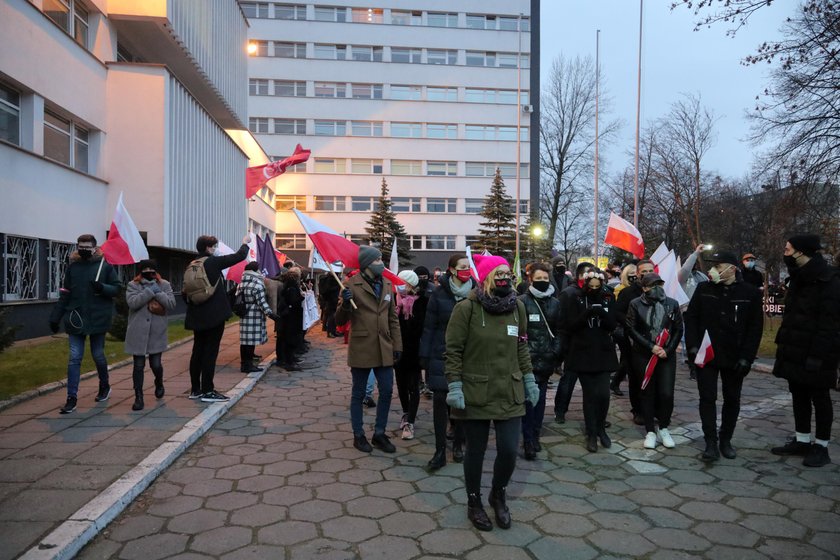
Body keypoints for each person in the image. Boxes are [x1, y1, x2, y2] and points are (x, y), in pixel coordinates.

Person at [445, 254, 537, 531]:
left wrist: (529, 379)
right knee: (476, 451)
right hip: (476, 391)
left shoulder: (517, 307)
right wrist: (455, 385)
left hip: (509, 389)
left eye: (507, 272)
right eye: (498, 272)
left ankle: (498, 493)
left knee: (509, 450)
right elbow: (453, 350)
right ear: (485, 277)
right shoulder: (467, 309)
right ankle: (474, 502)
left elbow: (521, 345)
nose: (504, 277)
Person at [685, 250, 763, 461]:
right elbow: (691, 319)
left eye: (718, 267)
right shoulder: (704, 289)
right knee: (707, 398)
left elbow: (755, 329)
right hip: (706, 354)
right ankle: (710, 442)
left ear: (731, 269)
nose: (713, 271)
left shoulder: (750, 293)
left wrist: (747, 357)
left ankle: (725, 439)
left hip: (734, 356)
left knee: (732, 399)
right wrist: (692, 347)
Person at [770, 234, 840, 467]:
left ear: (802, 251)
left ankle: (821, 446)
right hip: (795, 349)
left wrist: (817, 356)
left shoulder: (829, 280)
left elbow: (829, 324)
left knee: (820, 398)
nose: (785, 253)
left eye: (788, 250)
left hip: (818, 353)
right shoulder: (799, 277)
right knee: (798, 394)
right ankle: (802, 440)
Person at [335, 246, 403, 454]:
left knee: (387, 391)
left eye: (381, 259)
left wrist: (397, 345)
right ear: (366, 263)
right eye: (377, 260)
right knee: (358, 393)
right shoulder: (350, 285)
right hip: (362, 347)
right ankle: (358, 435)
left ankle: (379, 434)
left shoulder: (387, 284)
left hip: (384, 347)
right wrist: (345, 304)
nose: (381, 263)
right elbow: (339, 321)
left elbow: (392, 318)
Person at [49, 234, 121, 414]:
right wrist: (55, 316)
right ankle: (71, 398)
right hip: (76, 317)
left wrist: (102, 288)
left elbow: (118, 288)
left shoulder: (105, 266)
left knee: (98, 354)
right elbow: (65, 293)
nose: (83, 250)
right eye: (80, 246)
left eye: (87, 247)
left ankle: (104, 385)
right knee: (75, 357)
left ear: (95, 248)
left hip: (98, 318)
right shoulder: (73, 268)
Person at [419, 254, 473, 469]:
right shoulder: (439, 293)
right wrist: (424, 356)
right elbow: (429, 326)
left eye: (468, 267)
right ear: (452, 270)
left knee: (460, 404)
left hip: (468, 356)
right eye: (462, 267)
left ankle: (459, 443)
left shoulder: (476, 293)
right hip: (441, 353)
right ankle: (440, 450)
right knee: (440, 402)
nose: (466, 270)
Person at [185, 234, 249, 403]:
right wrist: (245, 243)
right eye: (214, 246)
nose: (216, 249)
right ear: (208, 248)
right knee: (210, 352)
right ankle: (208, 390)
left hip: (197, 314)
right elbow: (239, 256)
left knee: (197, 350)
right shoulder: (212, 262)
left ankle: (195, 389)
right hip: (213, 316)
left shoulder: (192, 264)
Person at [626, 273, 684, 450]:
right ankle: (650, 430)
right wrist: (651, 346)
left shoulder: (672, 304)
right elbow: (631, 328)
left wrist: (668, 349)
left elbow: (678, 329)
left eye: (660, 284)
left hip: (665, 355)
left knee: (666, 393)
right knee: (647, 392)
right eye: (653, 285)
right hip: (644, 354)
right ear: (644, 288)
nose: (657, 288)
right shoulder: (635, 304)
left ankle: (664, 428)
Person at [563, 270, 618, 452]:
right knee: (590, 395)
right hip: (583, 352)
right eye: (591, 286)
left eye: (597, 286)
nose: (594, 289)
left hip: (603, 351)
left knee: (603, 394)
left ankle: (601, 427)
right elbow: (570, 326)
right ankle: (592, 432)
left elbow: (613, 325)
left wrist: (602, 312)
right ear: (585, 284)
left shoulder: (608, 298)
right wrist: (586, 313)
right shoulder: (576, 298)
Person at [518, 263, 562, 459]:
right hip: (527, 361)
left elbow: (560, 331)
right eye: (539, 278)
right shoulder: (522, 302)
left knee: (541, 401)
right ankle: (527, 439)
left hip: (546, 360)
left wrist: (555, 352)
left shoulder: (555, 303)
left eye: (545, 278)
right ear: (530, 279)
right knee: (529, 401)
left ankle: (536, 435)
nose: (543, 282)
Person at [124, 259, 176, 411]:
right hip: (137, 331)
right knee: (138, 366)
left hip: (156, 331)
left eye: (151, 269)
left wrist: (157, 291)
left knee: (156, 364)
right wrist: (148, 291)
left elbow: (171, 304)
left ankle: (159, 382)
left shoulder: (164, 285)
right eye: (144, 269)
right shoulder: (133, 285)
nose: (148, 271)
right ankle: (138, 397)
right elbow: (133, 303)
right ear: (140, 272)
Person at [615, 259, 655, 425]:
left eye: (650, 270)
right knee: (635, 377)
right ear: (637, 274)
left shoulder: (659, 290)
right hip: (632, 341)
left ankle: (653, 409)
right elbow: (618, 313)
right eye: (643, 271)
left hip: (653, 341)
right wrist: (633, 324)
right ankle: (637, 410)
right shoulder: (628, 293)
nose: (646, 274)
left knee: (653, 377)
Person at [553, 261, 594, 423]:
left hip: (592, 345)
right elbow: (561, 322)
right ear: (580, 276)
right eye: (588, 274)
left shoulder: (596, 292)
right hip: (573, 345)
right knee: (569, 380)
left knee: (592, 384)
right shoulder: (568, 293)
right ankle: (560, 411)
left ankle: (594, 414)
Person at [395, 269, 429, 440]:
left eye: (401, 283)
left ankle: (411, 422)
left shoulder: (422, 301)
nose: (398, 286)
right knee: (401, 385)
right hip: (398, 350)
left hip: (415, 350)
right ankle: (405, 412)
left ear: (409, 284)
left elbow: (421, 327)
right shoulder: (395, 301)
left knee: (413, 386)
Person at [239, 262, 278, 373]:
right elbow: (262, 302)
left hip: (244, 313)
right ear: (256, 271)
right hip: (254, 314)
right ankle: (248, 365)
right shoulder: (257, 283)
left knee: (244, 341)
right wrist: (271, 314)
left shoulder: (241, 282)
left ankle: (244, 364)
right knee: (251, 341)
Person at [609, 264, 637, 396]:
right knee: (627, 357)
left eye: (635, 272)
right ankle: (616, 381)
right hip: (623, 328)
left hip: (635, 328)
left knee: (628, 358)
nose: (633, 276)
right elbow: (617, 309)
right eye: (630, 273)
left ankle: (617, 381)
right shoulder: (620, 289)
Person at [276, 266, 305, 371]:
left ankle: (289, 360)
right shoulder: (292, 288)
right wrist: (301, 297)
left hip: (288, 316)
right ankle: (289, 361)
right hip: (291, 317)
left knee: (287, 339)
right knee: (289, 339)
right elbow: (293, 301)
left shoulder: (286, 286)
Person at [318, 272, 341, 337]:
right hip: (331, 299)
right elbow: (329, 289)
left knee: (331, 315)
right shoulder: (330, 279)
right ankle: (330, 332)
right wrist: (337, 286)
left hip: (330, 299)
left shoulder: (328, 278)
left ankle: (332, 331)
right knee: (332, 316)